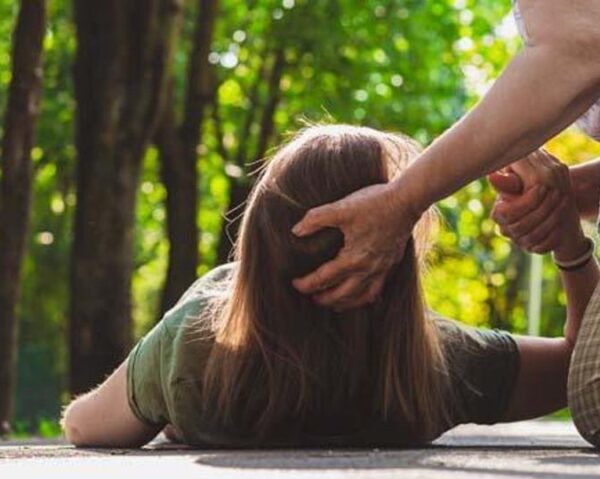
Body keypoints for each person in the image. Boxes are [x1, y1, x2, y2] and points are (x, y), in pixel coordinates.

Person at [62, 125, 598, 449]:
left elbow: (83, 427)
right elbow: (582, 371)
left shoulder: (193, 346)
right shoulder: (437, 365)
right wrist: (572, 248)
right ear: (394, 261)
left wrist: (167, 388)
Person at [290, 1, 600, 446]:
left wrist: (403, 199)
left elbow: (578, 47)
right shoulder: (445, 364)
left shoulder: (191, 353)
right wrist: (576, 200)